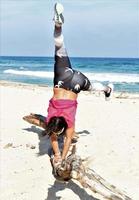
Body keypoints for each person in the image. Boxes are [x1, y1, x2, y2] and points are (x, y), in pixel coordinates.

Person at [44, 2, 113, 168]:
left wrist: (59, 157)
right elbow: (61, 137)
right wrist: (61, 157)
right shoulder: (51, 118)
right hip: (65, 76)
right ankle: (58, 25)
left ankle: (107, 89)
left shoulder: (67, 120)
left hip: (77, 82)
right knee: (59, 46)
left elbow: (65, 138)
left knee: (91, 87)